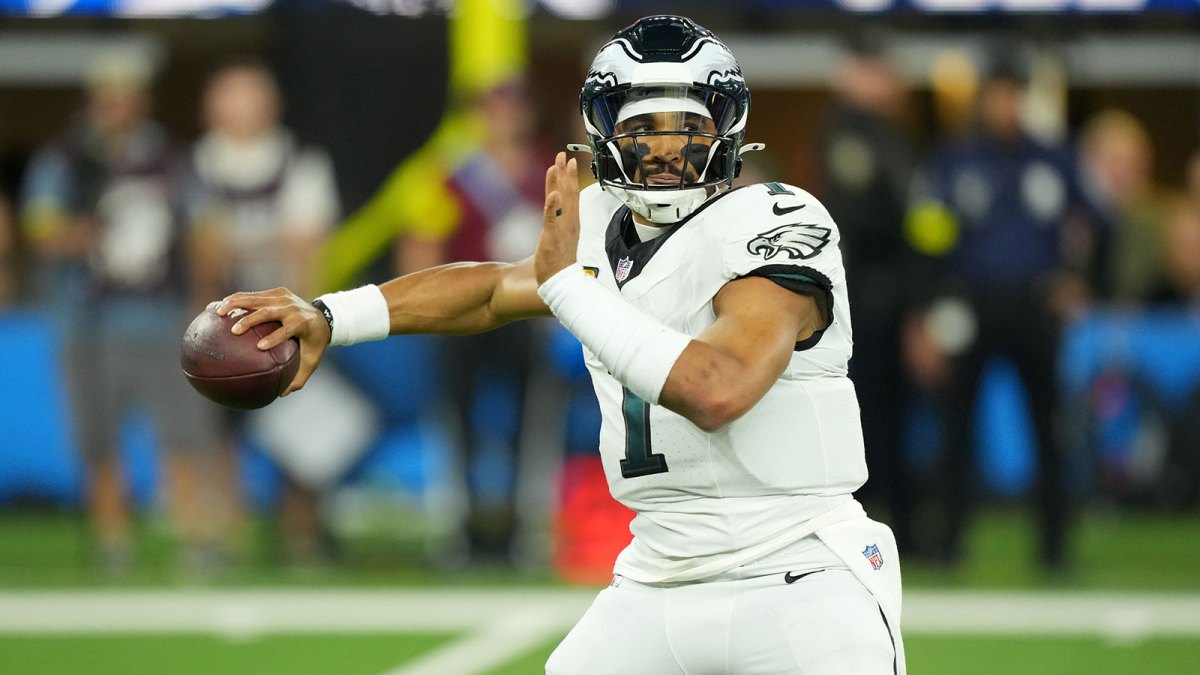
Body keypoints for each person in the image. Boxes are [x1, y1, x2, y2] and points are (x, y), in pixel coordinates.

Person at [221, 16, 904, 674]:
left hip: (801, 571)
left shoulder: (776, 217)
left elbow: (717, 386)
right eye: (643, 128)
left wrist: (570, 288)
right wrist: (331, 315)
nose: (665, 150)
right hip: (658, 576)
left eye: (687, 127)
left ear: (727, 127)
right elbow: (490, 290)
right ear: (603, 133)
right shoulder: (601, 220)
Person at [19, 52, 222, 573]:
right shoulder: (66, 159)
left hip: (160, 314)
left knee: (182, 432)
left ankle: (195, 535)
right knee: (98, 436)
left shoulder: (172, 158)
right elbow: (41, 231)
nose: (117, 105)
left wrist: (204, 303)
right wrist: (80, 231)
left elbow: (202, 231)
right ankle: (113, 539)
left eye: (126, 94)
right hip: (88, 316)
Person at [905, 56, 1098, 572]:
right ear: (983, 97)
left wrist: (1080, 281)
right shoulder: (954, 159)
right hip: (970, 304)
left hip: (1036, 306)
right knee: (956, 427)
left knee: (1048, 427)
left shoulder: (1055, 156)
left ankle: (1055, 548)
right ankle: (949, 543)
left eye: (1014, 93)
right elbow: (925, 237)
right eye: (997, 93)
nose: (1004, 104)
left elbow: (1098, 221)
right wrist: (926, 309)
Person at [184, 57, 344, 564]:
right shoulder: (197, 165)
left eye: (250, 94)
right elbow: (202, 251)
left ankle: (302, 532)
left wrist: (300, 315)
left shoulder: (300, 162)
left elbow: (306, 247)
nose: (241, 107)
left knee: (301, 428)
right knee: (215, 430)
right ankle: (222, 534)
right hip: (216, 317)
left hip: (285, 316)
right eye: (231, 94)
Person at [395, 78, 551, 566]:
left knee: (531, 424)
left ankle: (522, 528)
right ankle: (459, 529)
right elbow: (420, 247)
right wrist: (426, 309)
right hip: (464, 315)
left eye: (514, 106)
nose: (505, 117)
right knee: (454, 420)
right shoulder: (451, 175)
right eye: (494, 107)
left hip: (529, 313)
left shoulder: (552, 171)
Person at [816, 39, 919, 555]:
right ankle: (860, 523)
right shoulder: (848, 132)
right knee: (865, 413)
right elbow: (862, 215)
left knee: (890, 415)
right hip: (863, 296)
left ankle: (896, 523)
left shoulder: (889, 134)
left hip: (891, 293)